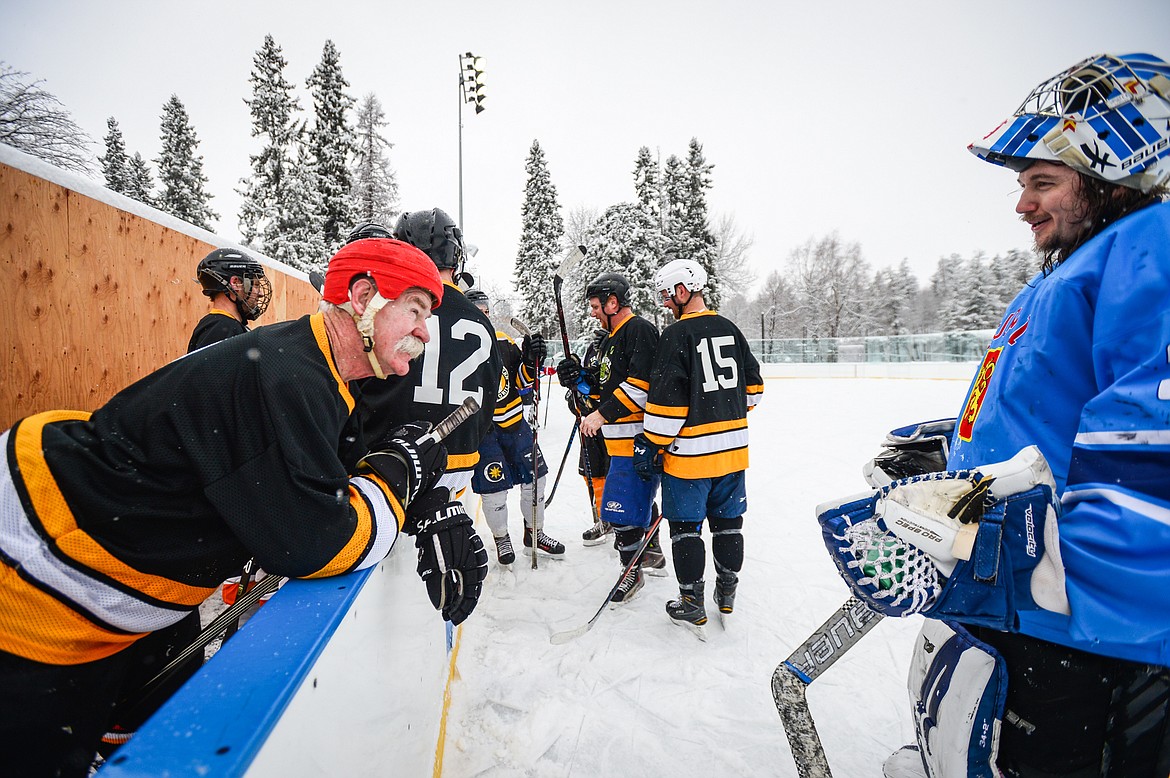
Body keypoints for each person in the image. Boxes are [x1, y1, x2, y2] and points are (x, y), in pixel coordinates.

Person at [0, 237, 489, 777]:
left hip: (123, 583)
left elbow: (339, 474)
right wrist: (402, 474)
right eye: (416, 311)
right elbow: (320, 540)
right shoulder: (285, 375)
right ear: (364, 295)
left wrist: (427, 504)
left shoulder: (322, 373)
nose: (425, 331)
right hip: (37, 568)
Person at [820, 53, 1170, 778]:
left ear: (1115, 176)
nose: (1022, 204)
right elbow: (1061, 422)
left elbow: (1150, 483)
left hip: (1088, 646)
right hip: (1027, 629)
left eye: (1043, 182)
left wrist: (987, 553)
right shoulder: (1080, 265)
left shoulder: (1151, 251)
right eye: (1023, 185)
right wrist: (960, 460)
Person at [634, 258, 763, 634]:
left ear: (682, 289)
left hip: (689, 458)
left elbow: (667, 408)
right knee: (728, 524)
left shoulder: (676, 336)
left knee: (686, 528)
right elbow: (753, 392)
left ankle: (692, 602)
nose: (663, 303)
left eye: (665, 294)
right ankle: (727, 593)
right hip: (734, 453)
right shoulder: (730, 329)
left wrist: (651, 442)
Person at [349, 210, 502, 502]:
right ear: (456, 257)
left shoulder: (393, 308)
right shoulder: (480, 320)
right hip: (458, 467)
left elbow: (359, 385)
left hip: (392, 465)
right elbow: (491, 396)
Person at [556, 272, 665, 605]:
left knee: (617, 509)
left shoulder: (639, 331)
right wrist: (578, 378)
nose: (592, 313)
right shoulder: (610, 338)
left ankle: (632, 570)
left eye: (595, 306)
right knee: (630, 504)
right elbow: (604, 386)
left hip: (638, 439)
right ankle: (648, 554)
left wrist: (600, 414)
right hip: (617, 441)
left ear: (612, 303)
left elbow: (641, 385)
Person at [467, 289, 566, 563]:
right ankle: (501, 539)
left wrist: (532, 360)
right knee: (494, 490)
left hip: (514, 425)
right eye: (478, 310)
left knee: (536, 480)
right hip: (483, 433)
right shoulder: (460, 345)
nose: (484, 315)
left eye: (486, 310)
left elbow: (521, 381)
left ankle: (534, 534)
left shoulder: (503, 341)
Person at [569, 326, 612, 544]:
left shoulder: (623, 343)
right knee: (592, 473)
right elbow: (582, 388)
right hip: (590, 424)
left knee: (617, 475)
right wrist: (574, 390)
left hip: (615, 423)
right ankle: (603, 519)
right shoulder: (591, 349)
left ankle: (619, 519)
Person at [187, 247, 272, 352]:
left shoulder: (226, 326)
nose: (261, 294)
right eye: (256, 285)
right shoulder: (220, 328)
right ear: (236, 283)